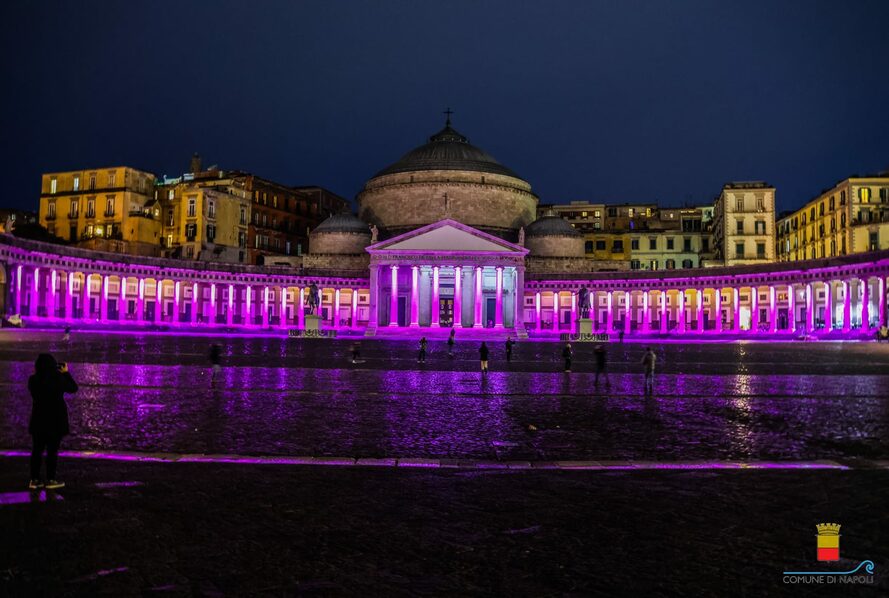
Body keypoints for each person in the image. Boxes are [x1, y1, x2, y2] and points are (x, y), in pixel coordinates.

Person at [28, 354, 78, 490]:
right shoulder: (58, 379)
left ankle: (34, 479)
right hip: (55, 420)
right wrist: (66, 373)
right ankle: (50, 479)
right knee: (52, 451)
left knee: (37, 451)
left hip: (38, 419)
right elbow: (73, 388)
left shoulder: (33, 380)